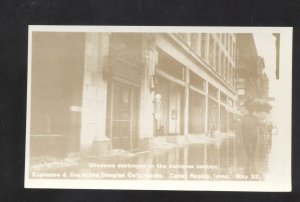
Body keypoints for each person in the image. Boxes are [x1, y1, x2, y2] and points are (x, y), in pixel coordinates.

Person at [240, 100, 260, 175]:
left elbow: (241, 127)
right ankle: (252, 157)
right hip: (254, 135)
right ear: (253, 111)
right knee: (254, 147)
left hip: (247, 135)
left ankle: (249, 156)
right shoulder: (255, 118)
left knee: (247, 147)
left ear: (248, 111)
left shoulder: (244, 118)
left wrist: (243, 133)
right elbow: (258, 125)